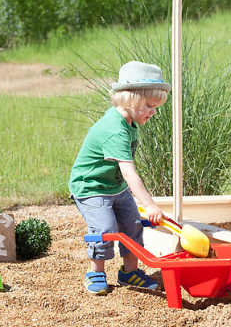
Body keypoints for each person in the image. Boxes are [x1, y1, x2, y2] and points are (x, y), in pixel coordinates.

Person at [69, 61, 170, 295]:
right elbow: (129, 173)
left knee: (133, 224)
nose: (154, 112)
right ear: (130, 100)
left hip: (115, 186)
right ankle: (95, 273)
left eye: (156, 107)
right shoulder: (115, 130)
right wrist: (150, 205)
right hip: (91, 186)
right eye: (149, 106)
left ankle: (129, 272)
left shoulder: (129, 121)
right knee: (105, 227)